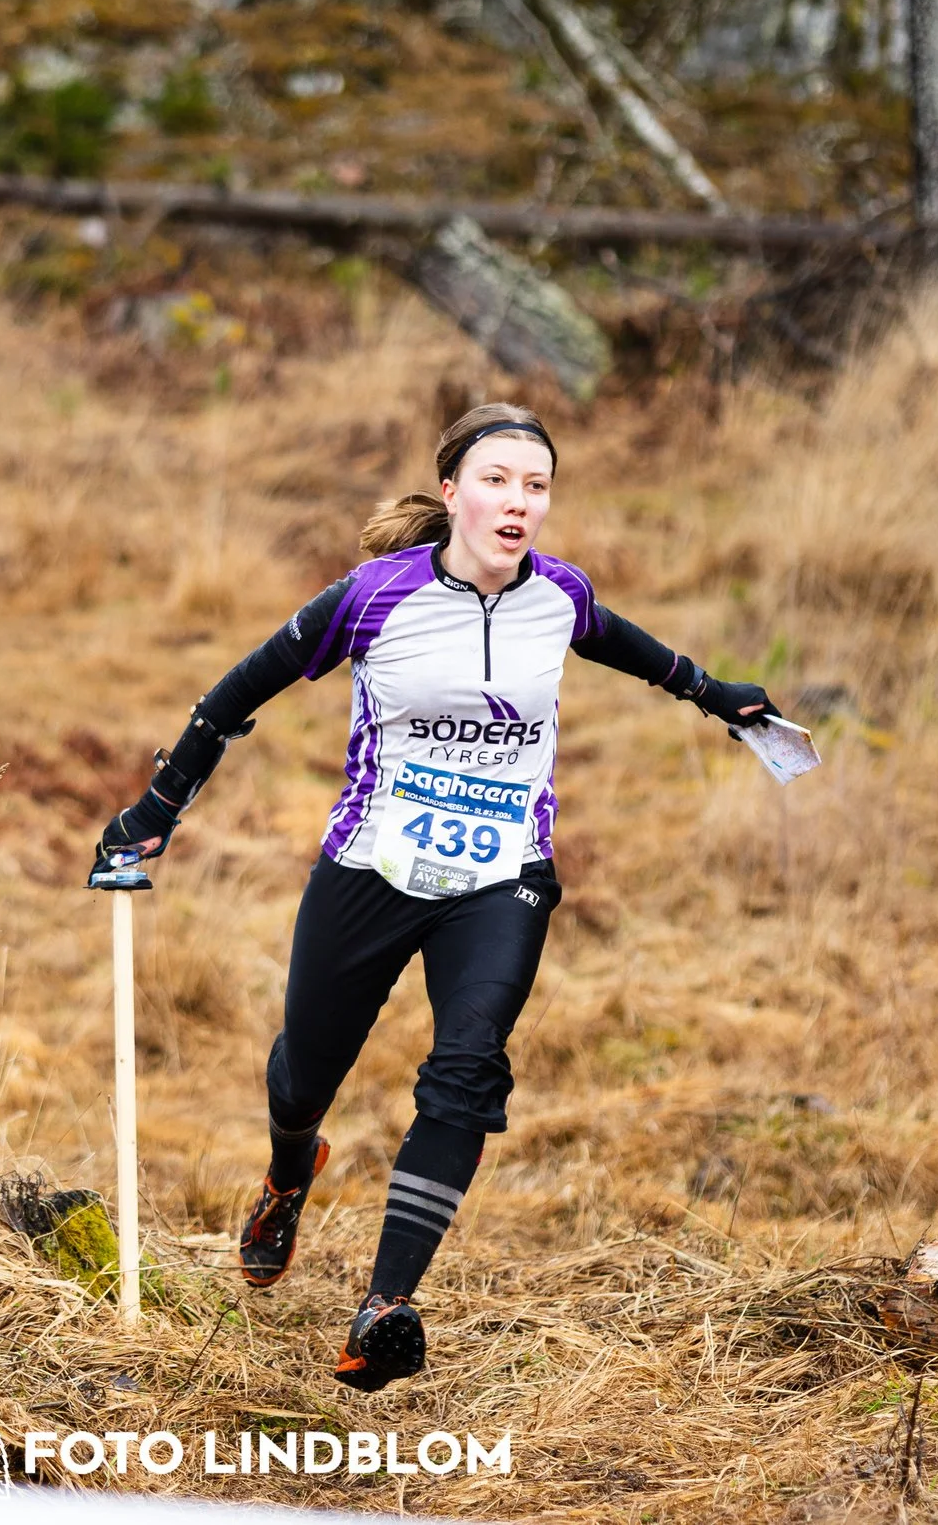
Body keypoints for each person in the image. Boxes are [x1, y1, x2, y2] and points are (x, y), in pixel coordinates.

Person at [89, 403, 781, 1392]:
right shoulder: (372, 597)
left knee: (466, 1069)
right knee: (302, 1077)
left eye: (536, 485)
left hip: (501, 876)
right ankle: (290, 1171)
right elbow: (233, 694)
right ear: (451, 490)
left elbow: (634, 648)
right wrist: (158, 805)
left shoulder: (561, 598)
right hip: (370, 868)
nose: (518, 501)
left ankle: (385, 1303)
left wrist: (716, 693)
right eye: (498, 479)